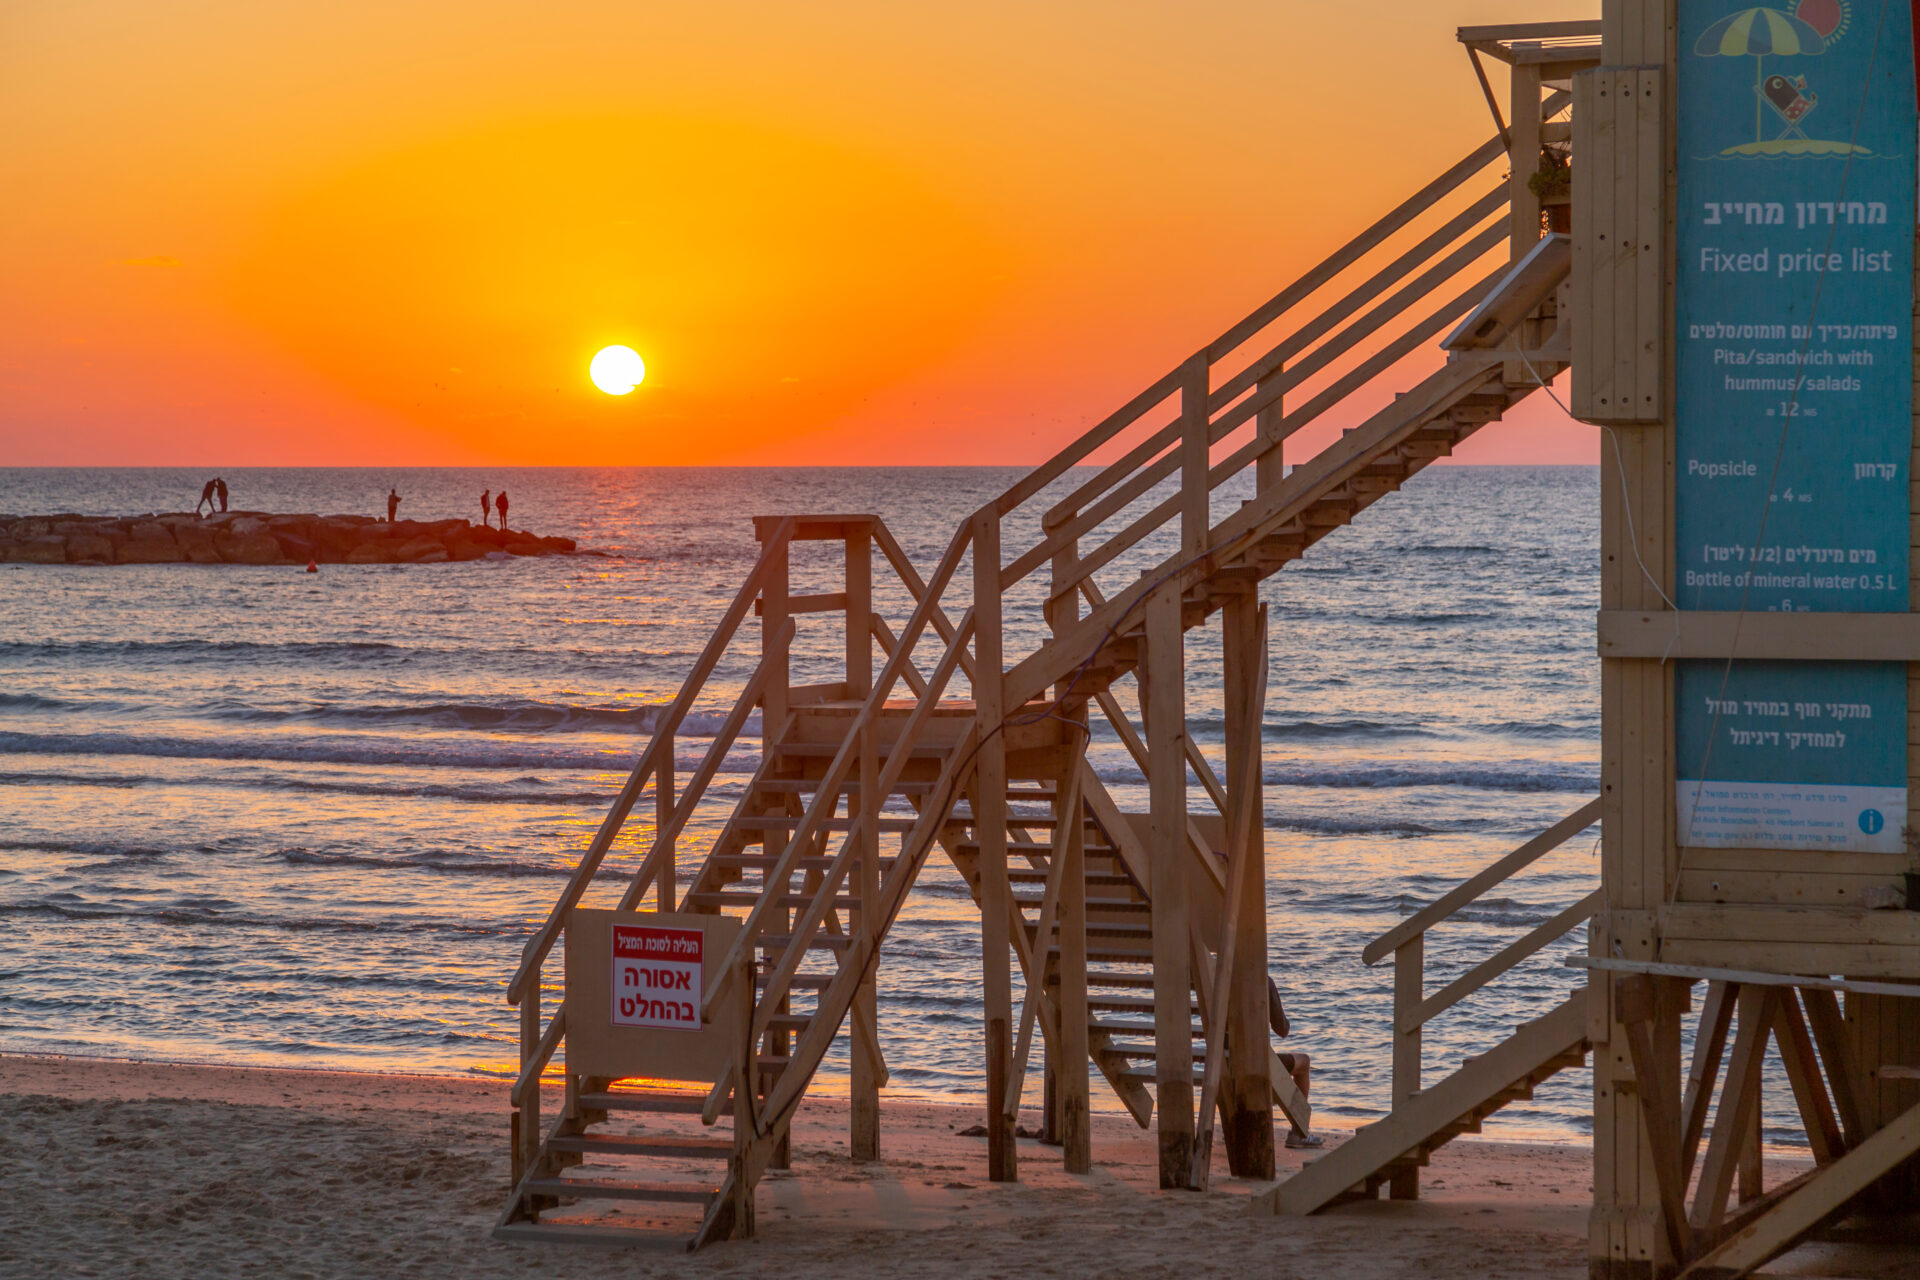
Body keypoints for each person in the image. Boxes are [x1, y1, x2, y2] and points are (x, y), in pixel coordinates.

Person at [1270, 977, 1322, 1149]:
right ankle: (1298, 1132)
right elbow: (1282, 1030)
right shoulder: (1263, 981)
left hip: (1224, 1063)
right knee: (1304, 1062)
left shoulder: (1216, 980)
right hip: (1259, 1064)